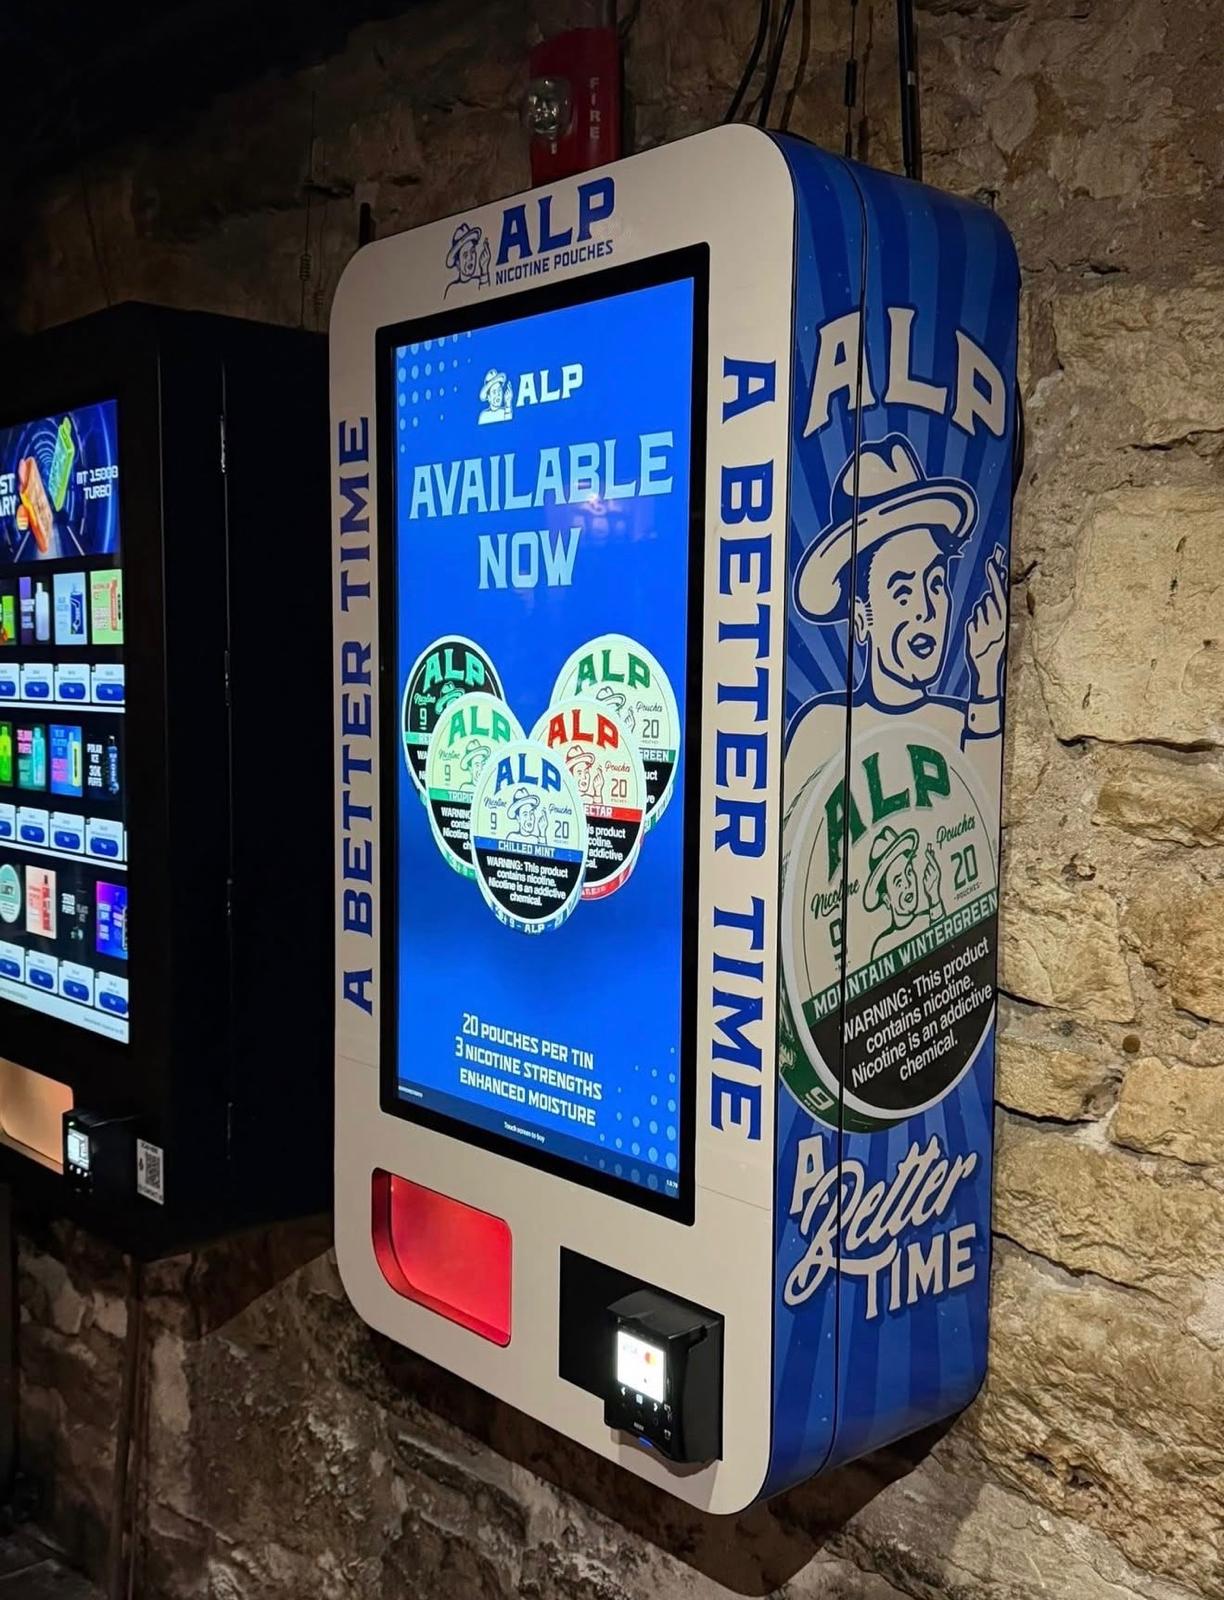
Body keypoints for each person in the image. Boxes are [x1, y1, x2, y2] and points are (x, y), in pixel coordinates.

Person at [787, 433, 1008, 794]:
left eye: (936, 583)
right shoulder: (817, 730)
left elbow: (980, 813)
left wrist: (985, 680)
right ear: (860, 617)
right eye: (902, 591)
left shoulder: (960, 725)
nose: (926, 609)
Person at [862, 825, 945, 960]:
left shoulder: (929, 919)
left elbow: (946, 952)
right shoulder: (882, 947)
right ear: (887, 899)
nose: (907, 884)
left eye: (909, 872)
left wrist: (934, 897)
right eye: (898, 882)